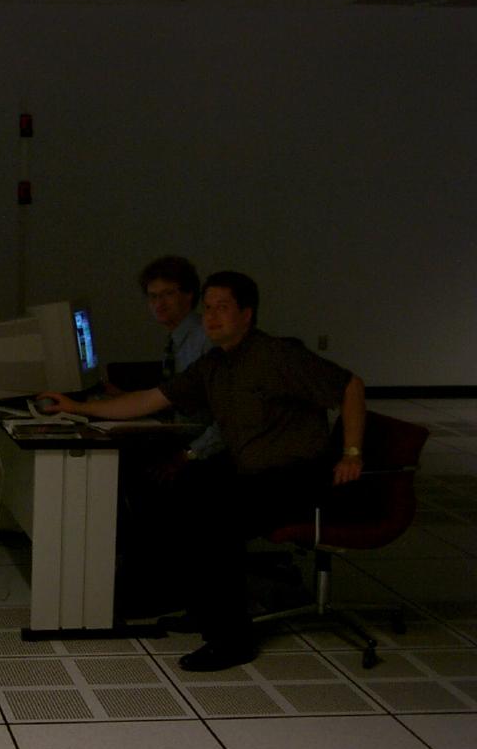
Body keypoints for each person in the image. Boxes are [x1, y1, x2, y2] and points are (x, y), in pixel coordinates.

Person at [38, 271, 366, 672]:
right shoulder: (216, 363)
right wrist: (78, 407)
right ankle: (196, 605)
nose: (211, 317)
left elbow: (350, 386)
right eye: (207, 308)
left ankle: (232, 640)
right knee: (175, 491)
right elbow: (151, 399)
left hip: (299, 475)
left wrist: (351, 453)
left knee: (215, 520)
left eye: (222, 308)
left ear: (247, 313)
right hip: (253, 470)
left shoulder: (277, 355)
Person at [135, 256, 223, 463]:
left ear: (189, 294)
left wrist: (190, 454)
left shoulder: (205, 339)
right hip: (187, 440)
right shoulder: (175, 340)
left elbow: (226, 415)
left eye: (168, 294)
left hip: (205, 451)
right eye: (153, 296)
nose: (159, 303)